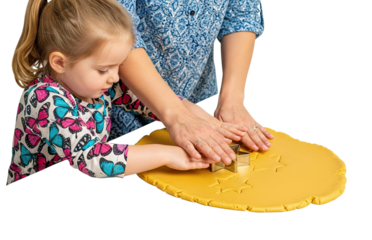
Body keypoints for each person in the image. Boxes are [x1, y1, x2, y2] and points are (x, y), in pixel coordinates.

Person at [6, 0, 247, 186]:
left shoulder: (95, 84)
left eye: (116, 65)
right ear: (59, 62)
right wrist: (170, 155)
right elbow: (91, 159)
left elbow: (139, 101)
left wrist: (189, 109)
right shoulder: (43, 99)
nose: (114, 77)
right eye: (103, 69)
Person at [110, 0, 274, 158]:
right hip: (120, 116)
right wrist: (177, 115)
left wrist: (233, 100)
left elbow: (242, 16)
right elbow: (115, 32)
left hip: (200, 104)